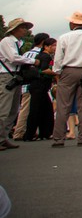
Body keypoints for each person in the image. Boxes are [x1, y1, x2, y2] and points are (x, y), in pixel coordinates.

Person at [51, 11, 82, 148]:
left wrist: (57, 72)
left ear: (73, 23)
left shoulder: (64, 37)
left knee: (63, 105)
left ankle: (58, 138)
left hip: (68, 70)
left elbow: (58, 58)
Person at [0, 18, 35, 151]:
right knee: (4, 109)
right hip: (6, 75)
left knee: (13, 109)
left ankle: (4, 138)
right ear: (14, 29)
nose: (25, 30)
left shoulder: (16, 42)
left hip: (14, 76)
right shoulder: (7, 42)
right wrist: (31, 61)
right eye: (23, 27)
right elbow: (13, 58)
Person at [23, 38, 57, 141]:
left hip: (40, 86)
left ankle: (45, 132)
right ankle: (29, 134)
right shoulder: (45, 56)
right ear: (46, 46)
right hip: (39, 86)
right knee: (36, 110)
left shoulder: (42, 56)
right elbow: (44, 69)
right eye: (54, 45)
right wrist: (56, 72)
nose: (55, 48)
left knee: (45, 110)